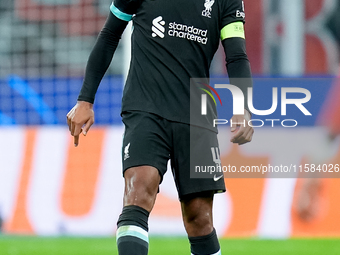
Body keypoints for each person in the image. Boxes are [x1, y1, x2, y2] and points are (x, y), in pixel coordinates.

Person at [67, 0, 254, 254]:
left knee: (199, 218)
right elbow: (110, 34)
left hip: (196, 114)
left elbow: (236, 55)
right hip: (145, 107)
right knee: (139, 189)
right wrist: (85, 99)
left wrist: (242, 106)